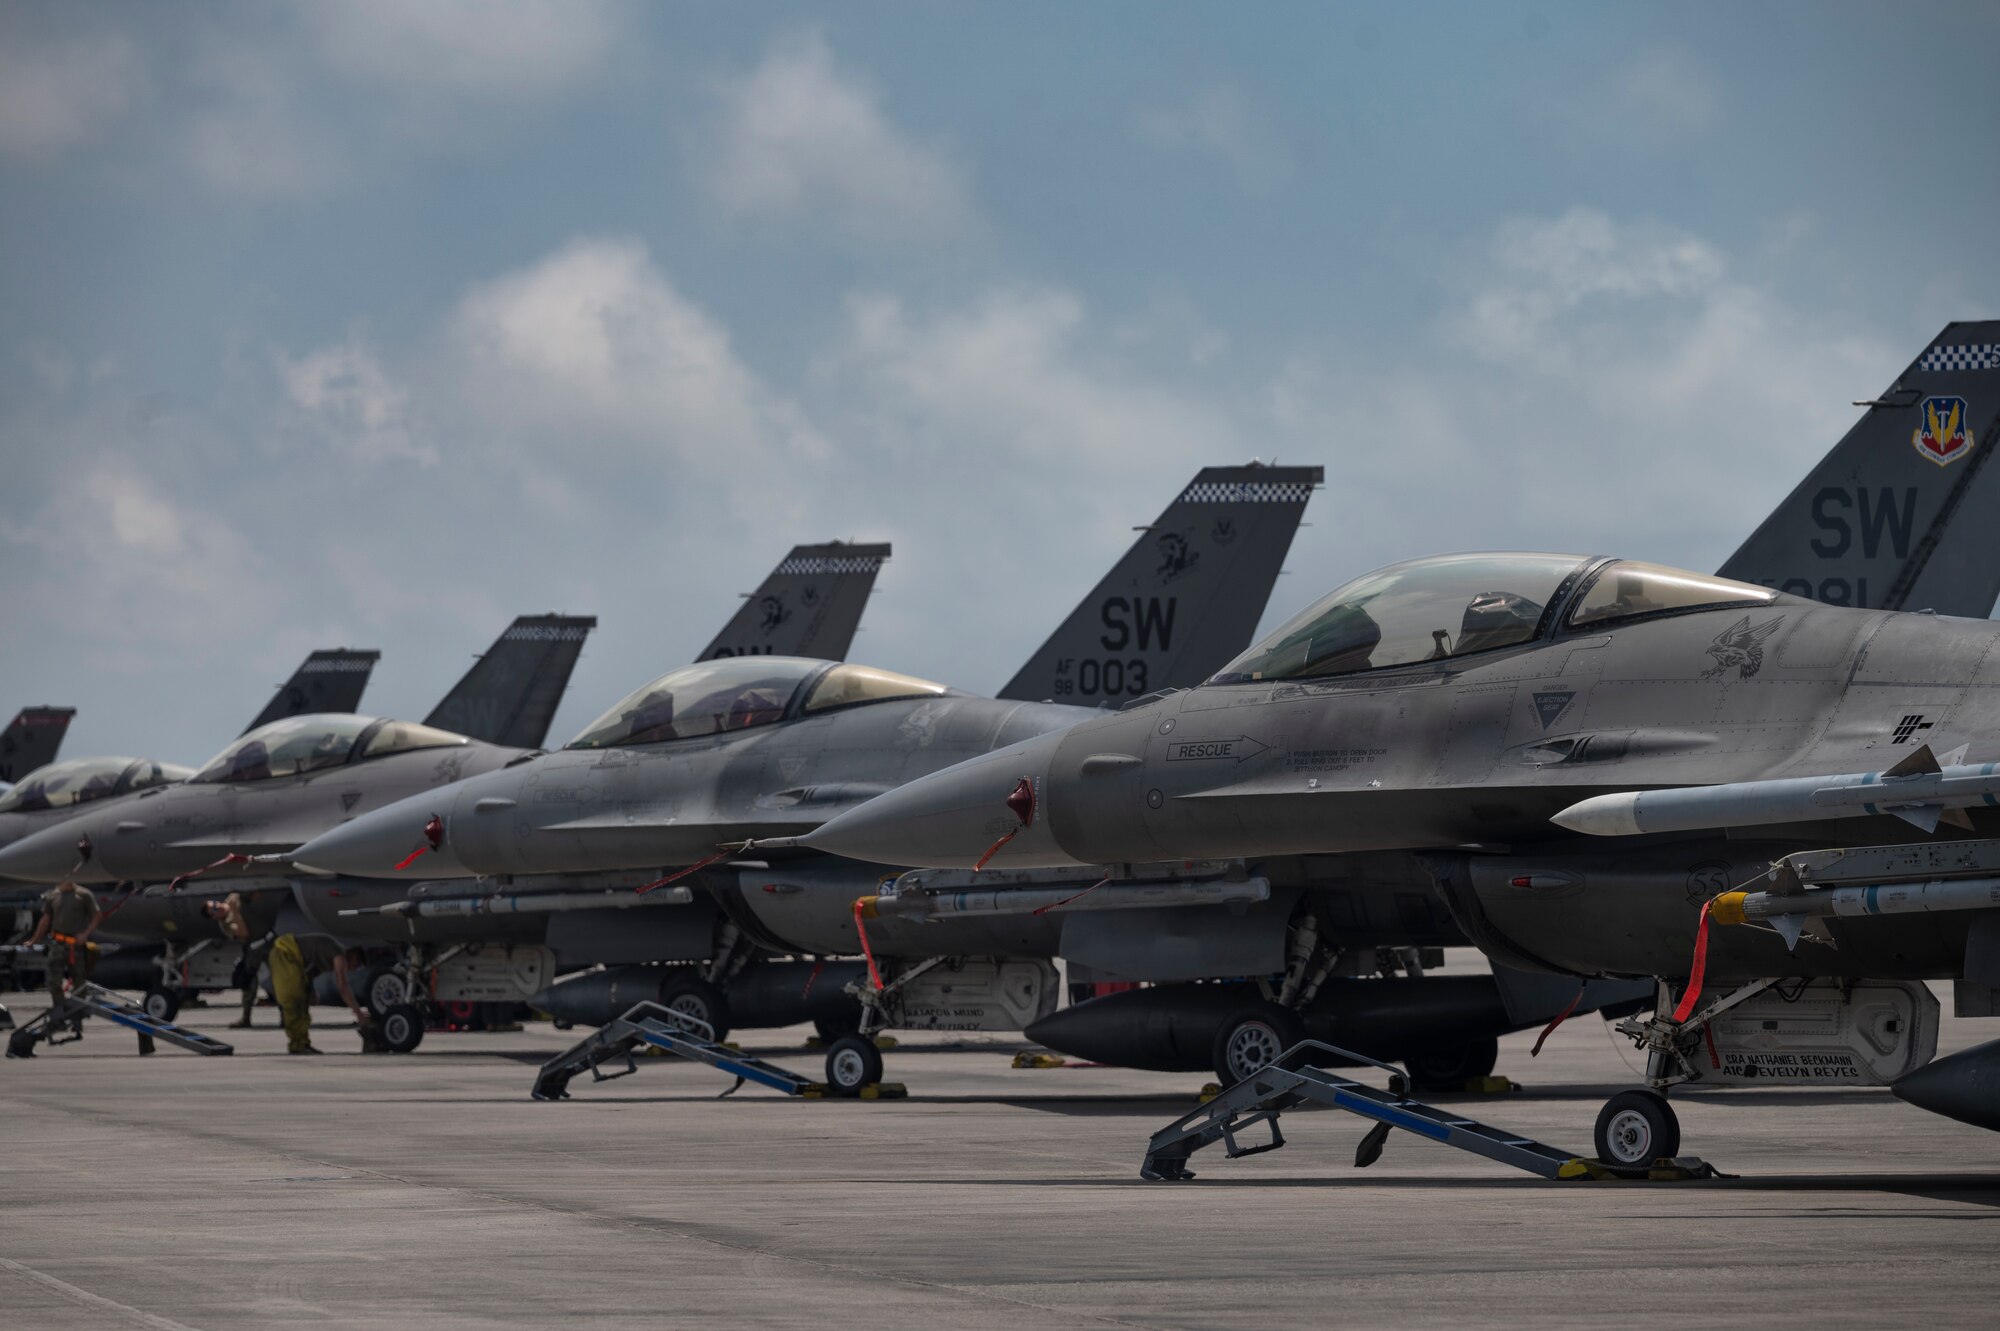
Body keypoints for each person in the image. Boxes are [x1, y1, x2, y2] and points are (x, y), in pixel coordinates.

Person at [266, 933, 377, 1054]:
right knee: (293, 999)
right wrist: (358, 1013)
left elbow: (308, 973)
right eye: (356, 964)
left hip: (290, 957)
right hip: (286, 952)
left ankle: (301, 1043)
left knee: (302, 1002)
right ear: (352, 955)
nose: (353, 969)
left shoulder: (328, 959)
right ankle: (298, 1045)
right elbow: (343, 987)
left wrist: (311, 992)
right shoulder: (339, 955)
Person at [25, 879, 102, 1016]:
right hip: (57, 945)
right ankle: (60, 1010)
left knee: (79, 981)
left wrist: (85, 934)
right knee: (53, 981)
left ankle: (77, 1012)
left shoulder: (84, 895)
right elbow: (45, 920)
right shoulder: (52, 895)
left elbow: (96, 915)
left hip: (76, 946)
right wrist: (33, 941)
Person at [205, 892, 269, 1029]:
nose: (218, 906)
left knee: (279, 978)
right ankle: (246, 1018)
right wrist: (234, 912)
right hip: (253, 948)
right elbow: (243, 933)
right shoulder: (226, 925)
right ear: (214, 917)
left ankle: (285, 1017)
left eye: (215, 904)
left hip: (268, 941)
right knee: (248, 984)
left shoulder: (233, 898)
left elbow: (251, 896)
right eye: (214, 909)